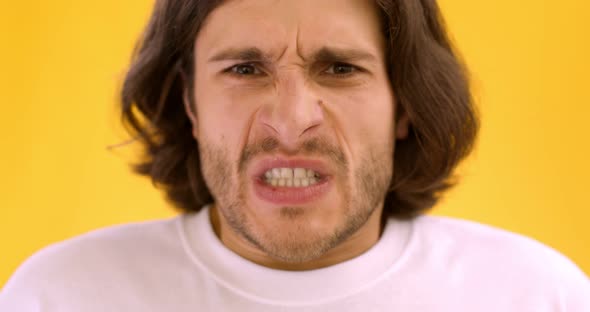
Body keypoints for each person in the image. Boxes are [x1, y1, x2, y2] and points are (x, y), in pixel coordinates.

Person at [1, 0, 589, 310]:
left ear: (404, 104)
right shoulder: (60, 297)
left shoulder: (535, 296)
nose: (290, 122)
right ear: (190, 106)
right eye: (245, 68)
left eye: (339, 69)